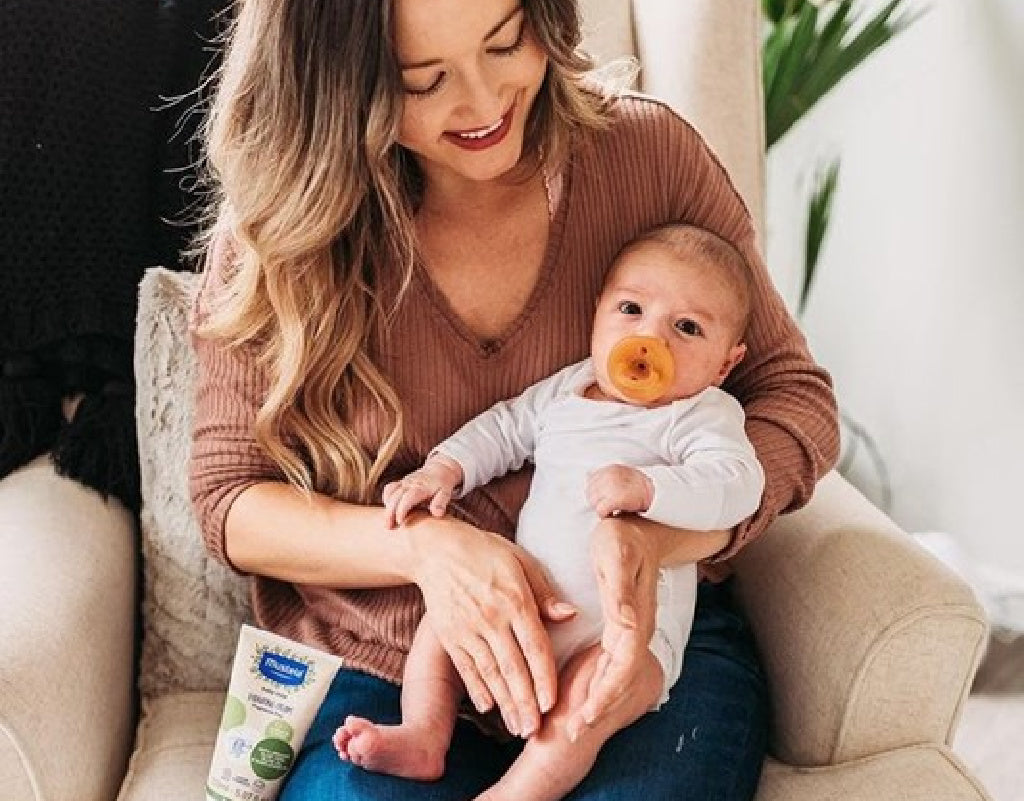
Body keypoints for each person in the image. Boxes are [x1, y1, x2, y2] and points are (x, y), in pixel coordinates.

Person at [188, 1, 840, 799]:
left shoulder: (648, 160)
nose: (487, 101)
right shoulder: (284, 239)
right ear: (338, 92)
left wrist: (658, 536)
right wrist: (428, 551)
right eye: (424, 83)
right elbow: (229, 499)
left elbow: (791, 397)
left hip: (627, 649)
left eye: (507, 42)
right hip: (389, 664)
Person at [332, 222, 766, 801]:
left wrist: (651, 489)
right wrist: (446, 469)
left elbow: (739, 484)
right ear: (597, 316)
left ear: (722, 365)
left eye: (687, 328)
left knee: (584, 712)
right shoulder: (571, 388)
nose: (650, 337)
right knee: (442, 624)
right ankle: (423, 734)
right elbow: (506, 428)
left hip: (624, 635)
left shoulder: (698, 414)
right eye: (631, 309)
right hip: (525, 602)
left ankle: (516, 793)